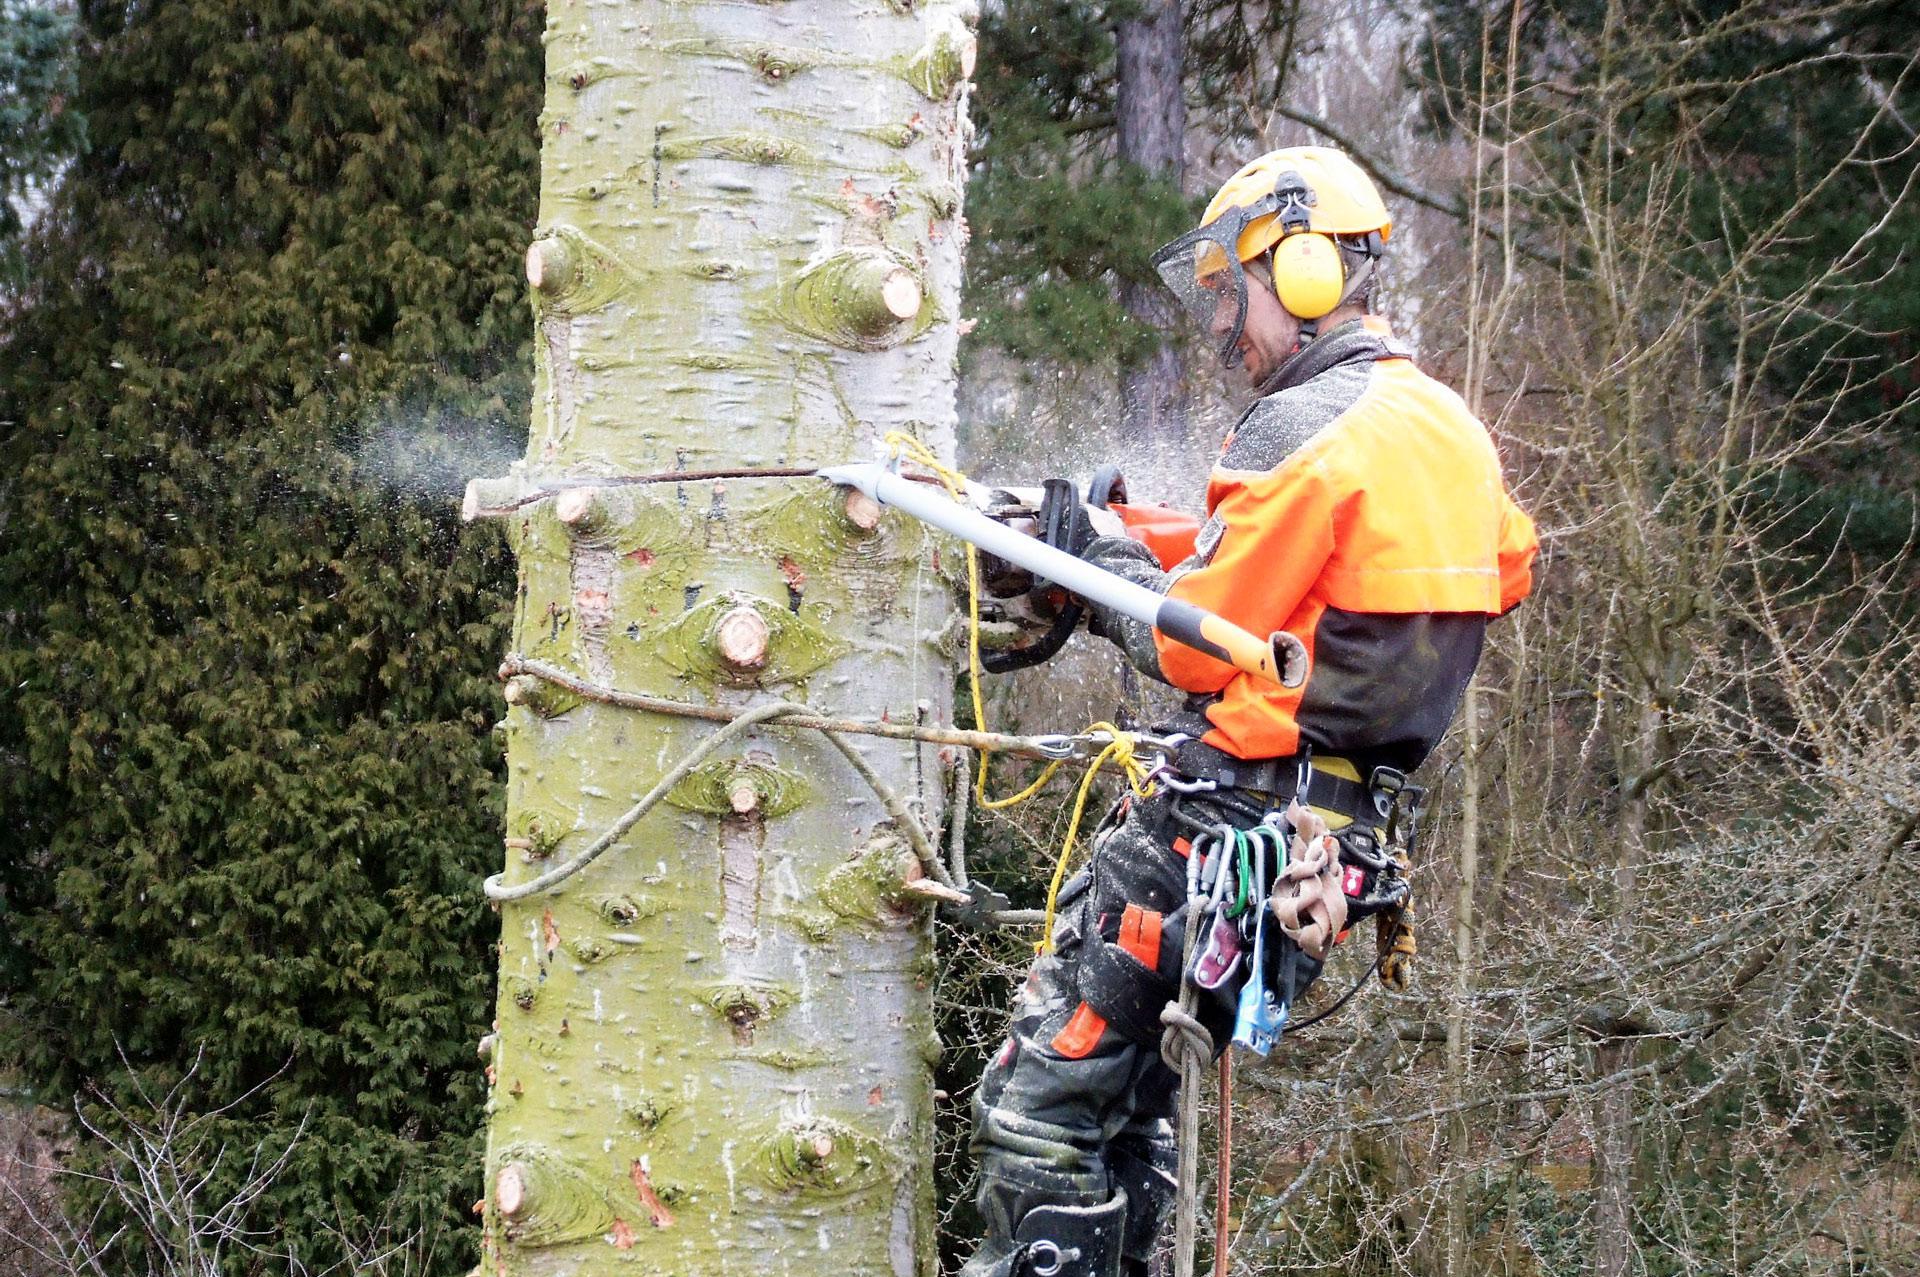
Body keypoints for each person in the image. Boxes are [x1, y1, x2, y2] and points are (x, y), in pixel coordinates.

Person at [961, 146, 1539, 1277]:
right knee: (1130, 1116)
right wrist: (1167, 538)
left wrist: (1093, 560)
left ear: (1312, 268)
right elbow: (1476, 568)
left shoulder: (1299, 423)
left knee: (1045, 1113)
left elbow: (1194, 643)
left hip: (1211, 834)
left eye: (1236, 290)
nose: (1226, 325)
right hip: (1324, 851)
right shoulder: (1447, 428)